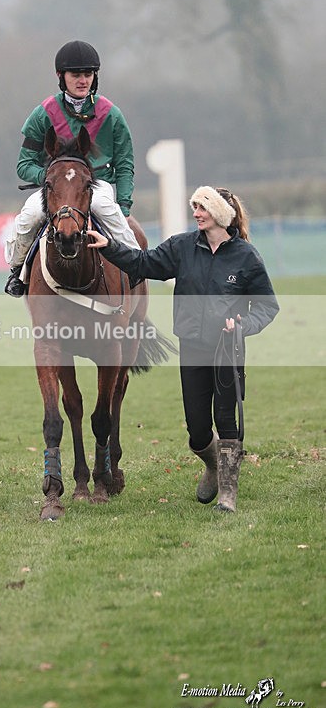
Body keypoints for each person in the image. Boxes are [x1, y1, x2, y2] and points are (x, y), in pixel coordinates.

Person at [87, 186, 279, 512]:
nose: (196, 214)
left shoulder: (247, 256)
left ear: (219, 214)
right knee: (198, 430)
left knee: (227, 421)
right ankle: (213, 465)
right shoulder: (182, 247)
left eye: (202, 208)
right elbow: (143, 263)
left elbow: (267, 306)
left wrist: (243, 326)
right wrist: (110, 248)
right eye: (195, 208)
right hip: (192, 347)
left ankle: (228, 496)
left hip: (227, 350)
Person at [4, 39, 141, 297]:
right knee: (30, 216)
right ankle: (17, 270)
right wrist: (52, 180)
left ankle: (137, 266)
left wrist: (124, 205)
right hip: (55, 187)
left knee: (107, 211)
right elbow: (24, 165)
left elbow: (124, 163)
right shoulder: (43, 114)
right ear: (61, 76)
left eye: (88, 74)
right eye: (76, 75)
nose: (83, 80)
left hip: (96, 185)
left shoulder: (111, 114)